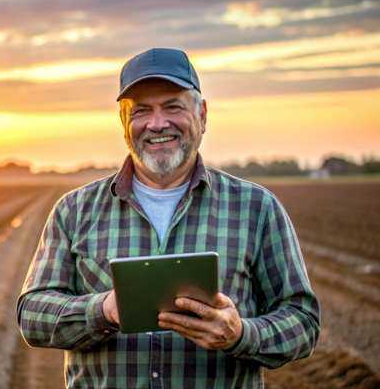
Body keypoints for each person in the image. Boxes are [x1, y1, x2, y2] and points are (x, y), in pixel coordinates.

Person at [16, 48, 320, 388]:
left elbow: (303, 322)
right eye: (142, 111)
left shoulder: (257, 208)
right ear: (124, 123)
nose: (157, 124)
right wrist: (103, 310)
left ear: (202, 114)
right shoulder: (74, 210)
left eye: (172, 106)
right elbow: (31, 314)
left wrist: (241, 334)